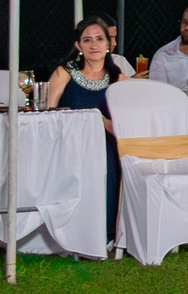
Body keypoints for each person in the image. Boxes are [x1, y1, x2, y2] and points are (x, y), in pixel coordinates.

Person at [40, 16, 133, 249]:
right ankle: (74, 230)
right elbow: (47, 113)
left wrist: (106, 124)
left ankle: (106, 232)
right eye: (87, 40)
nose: (94, 45)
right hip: (70, 142)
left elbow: (130, 118)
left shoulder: (118, 78)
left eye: (99, 39)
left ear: (109, 45)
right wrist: (94, 121)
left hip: (107, 144)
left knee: (109, 154)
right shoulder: (65, 73)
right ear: (78, 46)